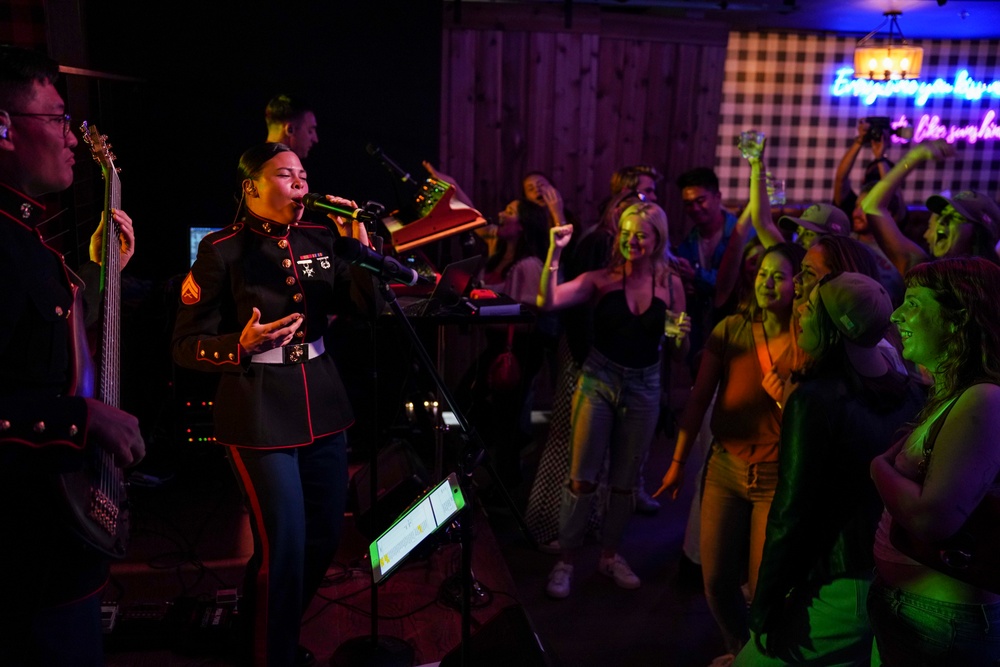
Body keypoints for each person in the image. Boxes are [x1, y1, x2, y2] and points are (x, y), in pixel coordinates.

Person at [172, 142, 372, 667]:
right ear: (251, 188)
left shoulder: (324, 237)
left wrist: (362, 249)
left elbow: (367, 306)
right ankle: (270, 655)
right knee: (283, 546)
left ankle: (261, 635)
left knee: (325, 539)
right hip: (257, 412)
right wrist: (239, 345)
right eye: (286, 175)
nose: (300, 184)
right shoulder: (222, 249)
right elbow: (184, 344)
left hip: (323, 402)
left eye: (303, 174)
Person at [0, 45, 145, 666]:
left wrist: (97, 269)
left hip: (58, 546)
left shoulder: (30, 242)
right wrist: (85, 420)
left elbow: (47, 355)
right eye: (56, 119)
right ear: (4, 129)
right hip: (22, 565)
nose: (70, 138)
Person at [733, 272, 922, 666]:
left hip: (838, 583)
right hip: (890, 576)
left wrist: (764, 604)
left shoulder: (816, 401)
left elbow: (791, 513)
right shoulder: (908, 393)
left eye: (812, 307)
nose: (800, 311)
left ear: (836, 327)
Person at [656, 242, 805, 661]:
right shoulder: (730, 329)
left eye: (779, 275)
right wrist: (677, 464)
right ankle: (738, 648)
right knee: (717, 579)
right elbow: (699, 399)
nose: (767, 282)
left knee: (762, 586)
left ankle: (760, 655)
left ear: (799, 285)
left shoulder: (807, 339)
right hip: (725, 466)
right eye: (761, 274)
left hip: (776, 475)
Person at [540, 202, 689, 599]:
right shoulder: (600, 278)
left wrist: (681, 334)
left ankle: (609, 556)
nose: (631, 241)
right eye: (625, 233)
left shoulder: (672, 284)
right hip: (598, 379)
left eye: (640, 234)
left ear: (657, 239)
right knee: (581, 476)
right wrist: (555, 251)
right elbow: (549, 300)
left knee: (625, 482)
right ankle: (566, 560)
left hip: (644, 385)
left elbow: (678, 351)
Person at [869, 257, 1000, 665]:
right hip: (920, 614)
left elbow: (934, 519)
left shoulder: (984, 398)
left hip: (942, 624)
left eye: (912, 303)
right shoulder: (954, 390)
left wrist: (877, 467)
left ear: (957, 318)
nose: (895, 314)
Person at [862, 140, 1000, 273]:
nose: (942, 221)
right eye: (941, 215)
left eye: (955, 217)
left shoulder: (993, 282)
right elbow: (872, 206)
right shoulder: (920, 267)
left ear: (980, 235)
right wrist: (916, 155)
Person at [673, 167, 743, 364]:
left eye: (700, 200)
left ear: (717, 197)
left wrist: (695, 276)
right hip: (703, 333)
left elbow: (734, 286)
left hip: (736, 331)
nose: (694, 208)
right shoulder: (689, 242)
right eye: (688, 204)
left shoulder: (740, 235)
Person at [833, 117, 894, 218]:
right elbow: (841, 180)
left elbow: (891, 191)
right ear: (863, 180)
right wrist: (860, 140)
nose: (858, 213)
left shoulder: (891, 212)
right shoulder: (853, 205)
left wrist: (880, 158)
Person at [265, 94, 318, 160]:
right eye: (310, 131)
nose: (315, 139)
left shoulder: (253, 163)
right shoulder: (276, 166)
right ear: (290, 130)